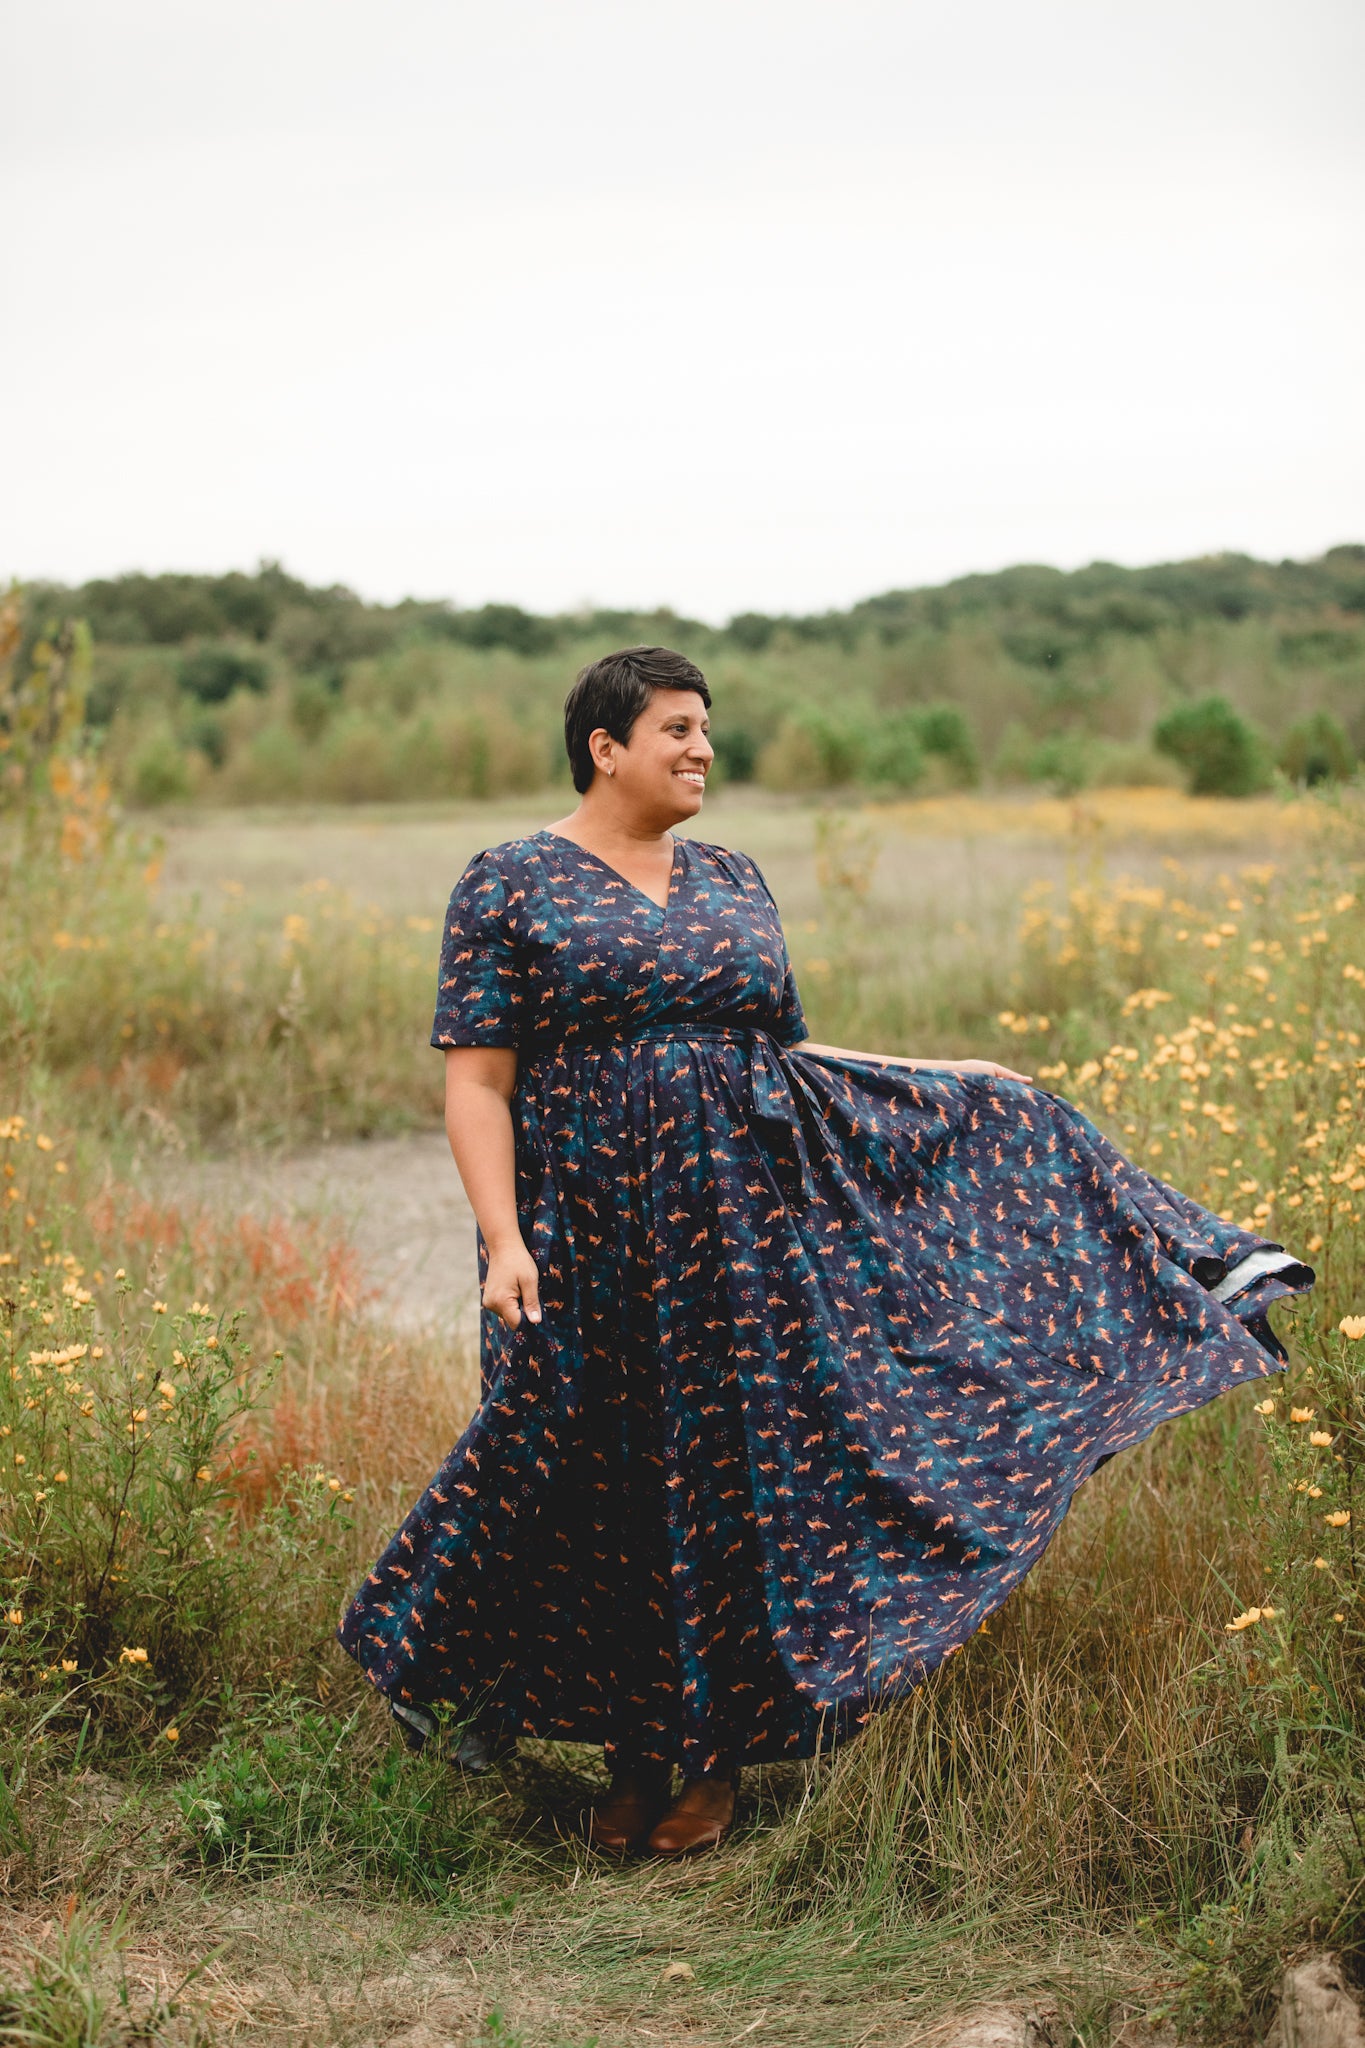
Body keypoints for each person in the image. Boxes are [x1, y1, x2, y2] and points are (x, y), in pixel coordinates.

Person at [338, 645, 1312, 1857]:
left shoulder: (735, 877)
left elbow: (778, 1060)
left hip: (737, 1237)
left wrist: (938, 1075)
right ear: (606, 746)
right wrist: (503, 1241)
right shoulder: (512, 884)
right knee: (588, 1470)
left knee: (726, 1477)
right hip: (580, 1238)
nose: (703, 748)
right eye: (679, 729)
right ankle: (626, 1751)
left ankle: (707, 1762)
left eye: (707, 729)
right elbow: (479, 1083)